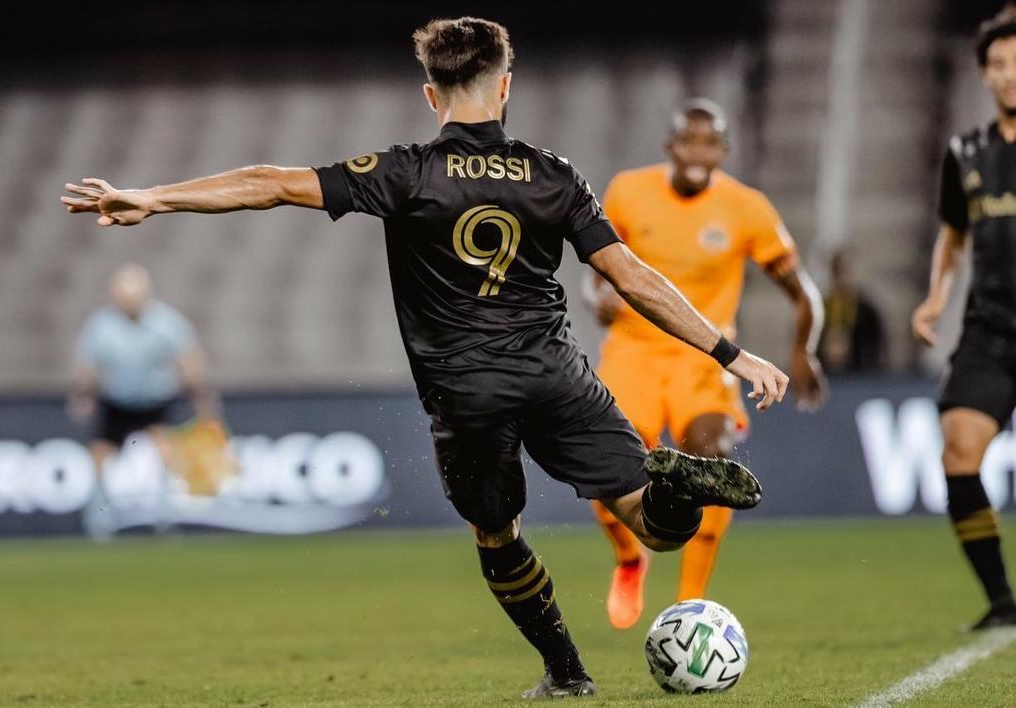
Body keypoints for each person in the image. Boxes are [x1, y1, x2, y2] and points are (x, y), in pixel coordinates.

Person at [61, 17, 789, 698]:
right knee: (657, 526)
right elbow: (633, 279)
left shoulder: (404, 172)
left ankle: (566, 672)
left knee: (496, 533)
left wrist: (153, 197)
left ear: (430, 94)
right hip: (556, 374)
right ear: (505, 86)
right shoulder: (554, 174)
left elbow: (269, 183)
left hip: (468, 393)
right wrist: (730, 352)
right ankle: (675, 484)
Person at [583, 99, 827, 630]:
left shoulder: (747, 207)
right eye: (688, 141)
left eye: (709, 142)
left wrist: (803, 349)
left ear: (724, 151)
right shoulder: (627, 190)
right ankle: (629, 556)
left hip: (705, 360)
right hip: (633, 352)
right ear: (670, 146)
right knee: (606, 467)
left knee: (713, 465)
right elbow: (595, 266)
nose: (698, 152)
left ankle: (687, 607)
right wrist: (595, 295)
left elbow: (803, 291)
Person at [912, 5, 1016, 630]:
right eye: (998, 64)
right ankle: (1002, 601)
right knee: (958, 449)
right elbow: (952, 237)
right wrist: (936, 296)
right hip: (992, 327)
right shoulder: (966, 151)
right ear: (983, 74)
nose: (1009, 75)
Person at [69, 263, 217, 471]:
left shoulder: (166, 322)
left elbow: (190, 362)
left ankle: (170, 496)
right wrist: (83, 395)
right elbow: (87, 367)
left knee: (168, 453)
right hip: (116, 402)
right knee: (100, 454)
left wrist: (201, 399)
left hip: (156, 402)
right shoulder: (101, 325)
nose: (129, 305)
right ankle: (99, 501)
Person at [819, 250, 886, 373]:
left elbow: (876, 347)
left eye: (844, 272)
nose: (841, 278)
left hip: (859, 373)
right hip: (827, 374)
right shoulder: (821, 308)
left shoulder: (866, 310)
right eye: (837, 272)